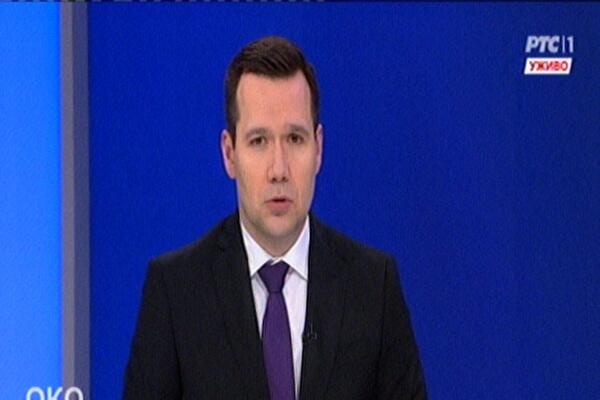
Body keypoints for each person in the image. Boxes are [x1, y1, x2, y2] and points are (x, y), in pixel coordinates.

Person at [124, 36, 427, 400]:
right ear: (229, 154)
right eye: (259, 141)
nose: (279, 169)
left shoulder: (373, 288)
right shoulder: (176, 292)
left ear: (318, 148)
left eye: (295, 139)